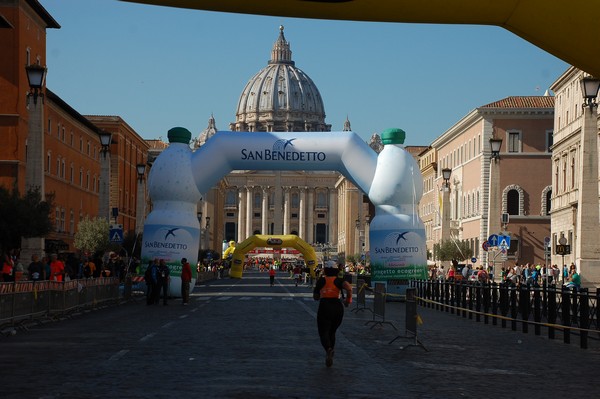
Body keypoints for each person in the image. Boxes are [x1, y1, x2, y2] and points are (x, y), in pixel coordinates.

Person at [313, 261, 352, 368]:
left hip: (325, 306)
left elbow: (315, 297)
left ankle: (328, 349)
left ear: (325, 270)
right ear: (336, 270)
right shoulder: (339, 280)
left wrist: (320, 292)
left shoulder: (321, 280)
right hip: (337, 307)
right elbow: (349, 288)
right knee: (332, 331)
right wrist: (348, 300)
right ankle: (330, 351)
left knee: (323, 331)